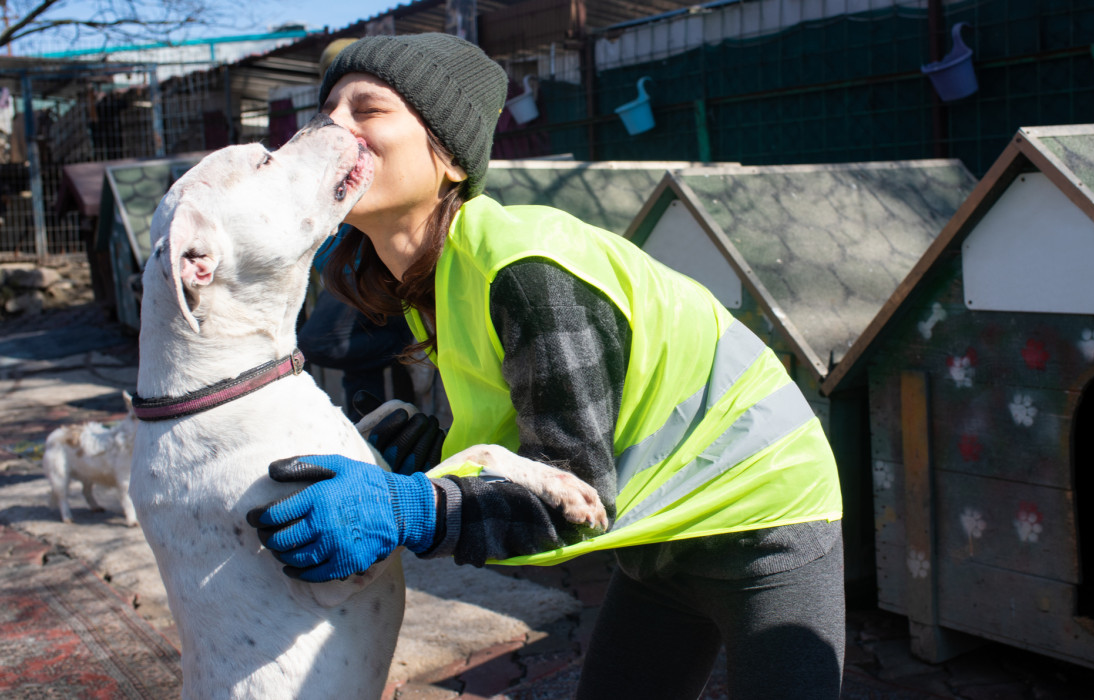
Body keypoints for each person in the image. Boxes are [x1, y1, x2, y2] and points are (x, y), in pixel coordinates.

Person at [247, 33, 845, 699]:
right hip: (659, 533)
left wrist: (413, 508)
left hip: (760, 517)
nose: (334, 129)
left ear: (448, 158)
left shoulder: (526, 272)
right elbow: (536, 446)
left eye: (367, 111)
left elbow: (569, 501)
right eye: (326, 113)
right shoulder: (429, 278)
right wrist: (442, 456)